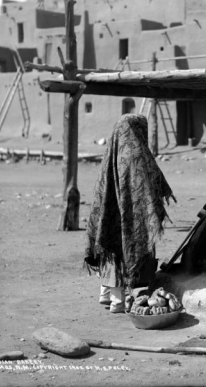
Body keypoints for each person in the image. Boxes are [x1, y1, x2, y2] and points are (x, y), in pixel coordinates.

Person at [84, 114, 175, 313]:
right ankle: (120, 301)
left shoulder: (112, 148)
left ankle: (108, 295)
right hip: (134, 216)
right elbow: (152, 182)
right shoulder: (137, 153)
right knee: (131, 249)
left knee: (111, 248)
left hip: (109, 212)